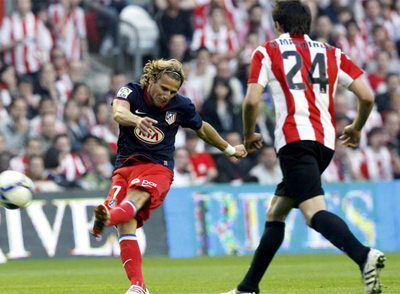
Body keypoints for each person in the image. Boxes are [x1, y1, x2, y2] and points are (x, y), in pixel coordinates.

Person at [224, 1, 385, 294]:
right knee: (277, 211)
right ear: (308, 24)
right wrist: (357, 127)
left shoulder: (267, 51)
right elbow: (367, 95)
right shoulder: (332, 53)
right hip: (324, 143)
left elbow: (250, 100)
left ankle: (364, 256)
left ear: (277, 25)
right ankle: (248, 288)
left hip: (295, 141)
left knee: (313, 213)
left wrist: (248, 135)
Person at [91, 59, 247, 294]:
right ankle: (139, 286)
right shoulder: (130, 91)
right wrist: (137, 120)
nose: (167, 95)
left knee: (131, 202)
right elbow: (118, 113)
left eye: (173, 91)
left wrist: (230, 149)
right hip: (125, 166)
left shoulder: (180, 105)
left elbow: (202, 128)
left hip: (157, 167)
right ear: (151, 80)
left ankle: (106, 218)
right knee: (126, 224)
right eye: (164, 88)